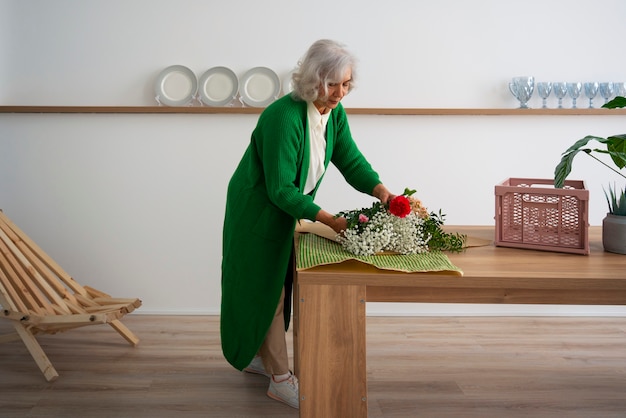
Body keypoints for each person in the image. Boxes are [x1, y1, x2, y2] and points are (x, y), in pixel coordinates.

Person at [220, 39, 395, 409]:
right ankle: (280, 380)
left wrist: (384, 193)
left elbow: (351, 160)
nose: (340, 93)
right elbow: (282, 189)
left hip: (285, 208)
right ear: (313, 80)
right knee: (267, 290)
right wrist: (329, 219)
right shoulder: (284, 117)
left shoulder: (335, 114)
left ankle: (260, 357)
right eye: (333, 84)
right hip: (257, 210)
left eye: (346, 84)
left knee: (278, 282)